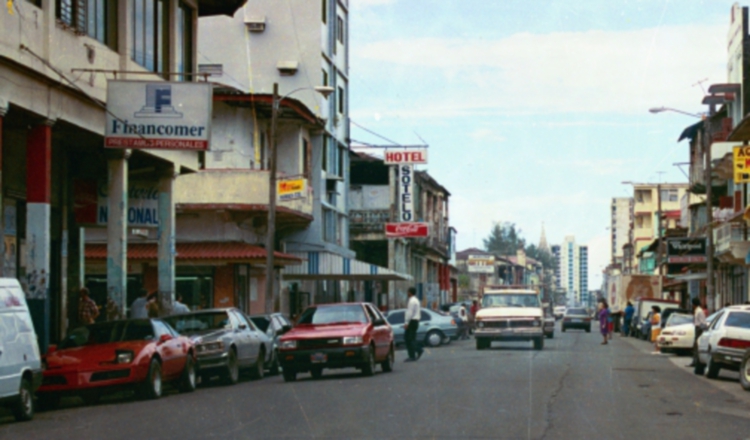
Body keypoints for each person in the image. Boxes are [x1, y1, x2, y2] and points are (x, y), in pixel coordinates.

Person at [404, 287, 424, 362]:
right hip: (415, 321)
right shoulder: (416, 300)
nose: (407, 293)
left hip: (412, 321)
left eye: (408, 292)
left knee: (409, 339)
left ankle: (415, 352)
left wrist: (406, 323)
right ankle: (414, 353)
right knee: (411, 338)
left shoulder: (411, 301)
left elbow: (409, 313)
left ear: (410, 292)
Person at [688, 297, 707, 368]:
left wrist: (701, 329)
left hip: (699, 328)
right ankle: (694, 361)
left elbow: (703, 322)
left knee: (696, 345)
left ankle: (696, 361)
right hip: (697, 328)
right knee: (695, 346)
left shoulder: (699, 311)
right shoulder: (696, 310)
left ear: (694, 304)